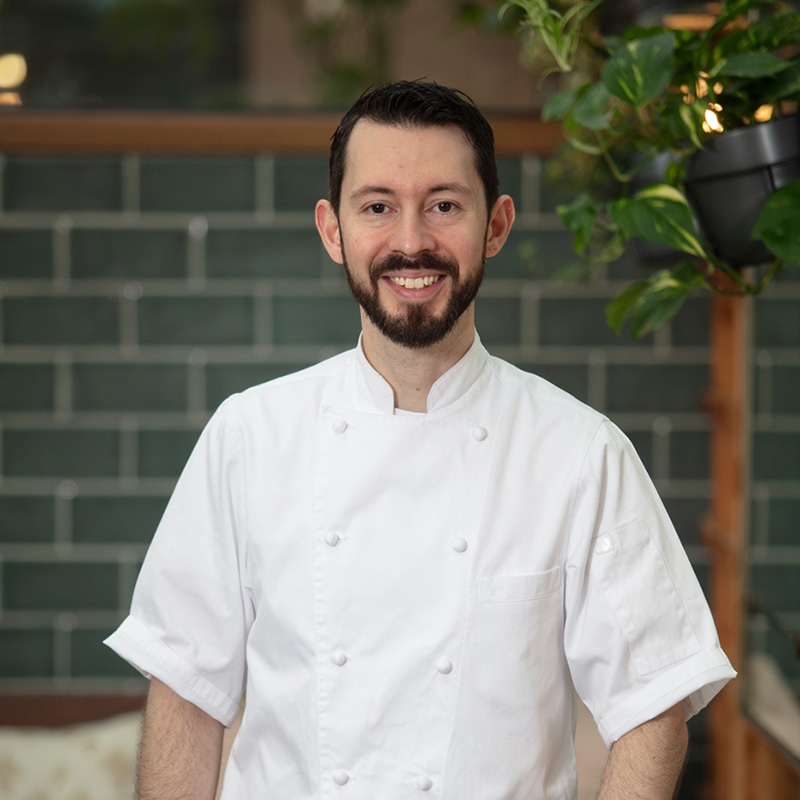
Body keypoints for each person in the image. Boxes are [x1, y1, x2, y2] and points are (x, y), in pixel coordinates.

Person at [106, 80, 735, 800]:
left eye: (444, 206)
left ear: (495, 226)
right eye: (378, 207)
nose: (411, 242)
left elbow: (655, 704)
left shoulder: (580, 452)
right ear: (332, 229)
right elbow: (187, 693)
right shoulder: (249, 437)